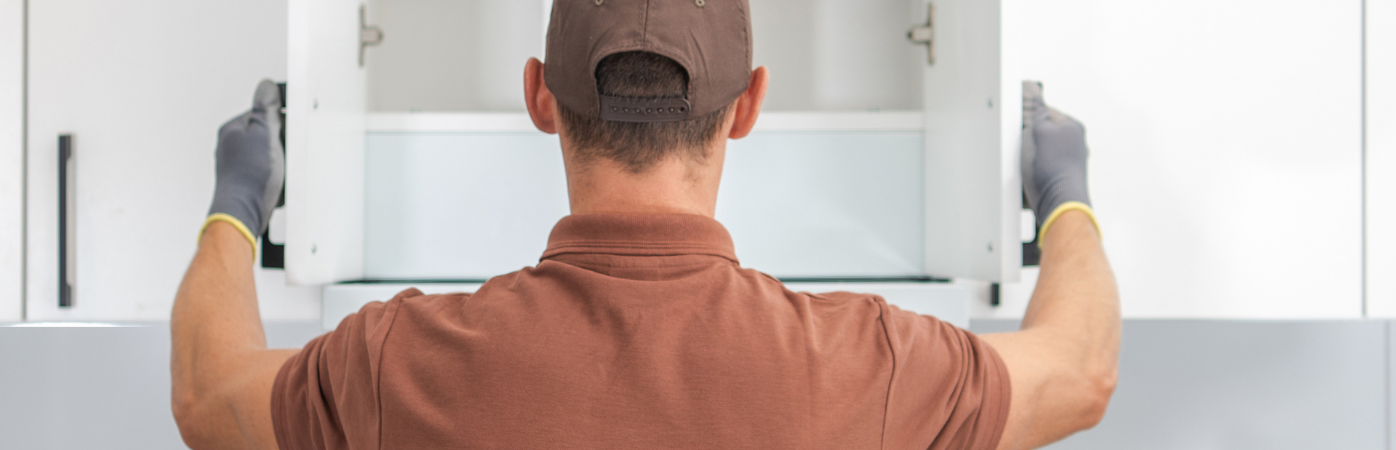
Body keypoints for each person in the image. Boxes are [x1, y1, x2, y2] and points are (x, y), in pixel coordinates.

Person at [169, 1, 1120, 449]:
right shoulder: (866, 366)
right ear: (747, 106)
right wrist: (1062, 197)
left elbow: (209, 397)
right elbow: (1077, 373)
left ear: (540, 97)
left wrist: (239, 208)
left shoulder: (400, 363)